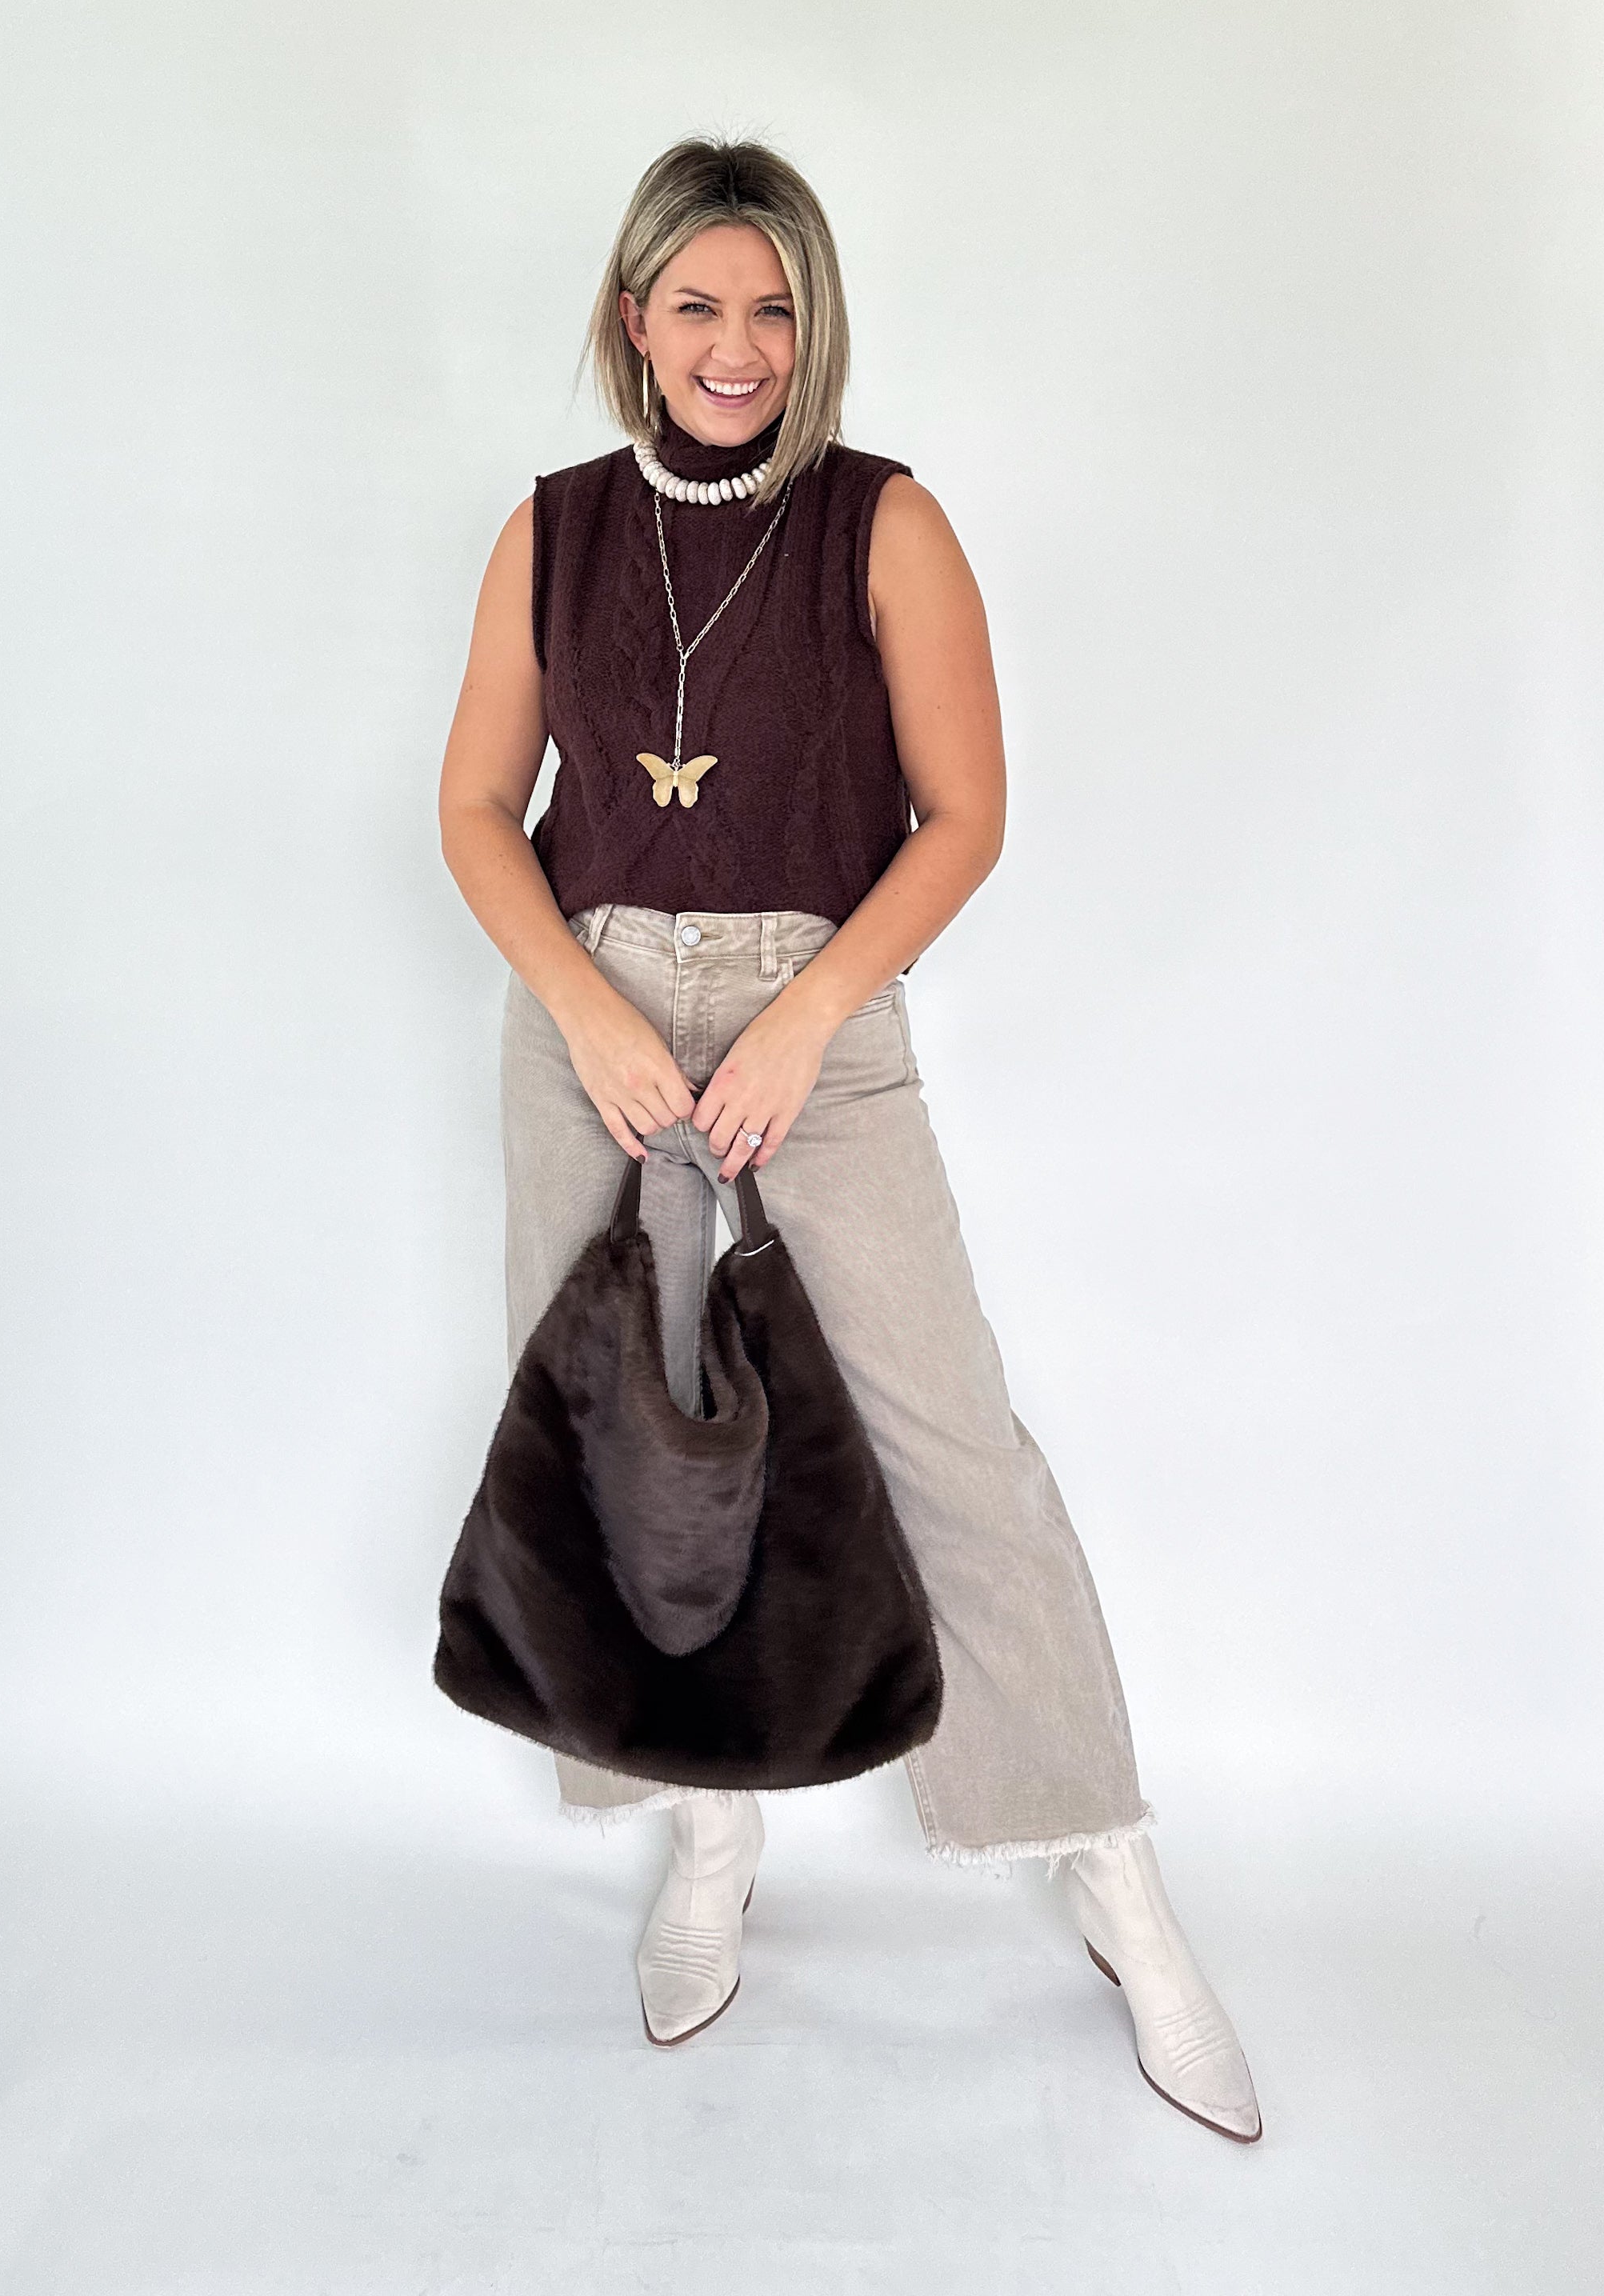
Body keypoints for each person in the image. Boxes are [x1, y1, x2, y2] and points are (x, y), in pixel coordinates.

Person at [438, 136, 1262, 2142]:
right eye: (699, 304)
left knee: (949, 1447)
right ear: (633, 318)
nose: (738, 345)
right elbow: (474, 811)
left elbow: (965, 816)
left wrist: (809, 1012)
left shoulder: (883, 522)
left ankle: (1114, 1879)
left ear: (813, 327)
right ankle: (712, 1836)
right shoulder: (550, 529)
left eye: (775, 307)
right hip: (591, 1023)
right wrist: (586, 1008)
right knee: (642, 1442)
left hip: (818, 1016)